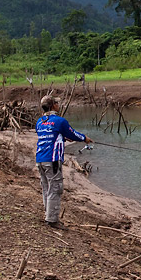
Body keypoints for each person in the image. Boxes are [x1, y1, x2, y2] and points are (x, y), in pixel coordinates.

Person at [35, 95, 92, 229]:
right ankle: (52, 220)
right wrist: (85, 138)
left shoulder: (39, 122)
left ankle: (48, 215)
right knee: (55, 188)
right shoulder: (60, 121)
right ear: (53, 106)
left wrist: (63, 137)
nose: (58, 105)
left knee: (46, 188)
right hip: (53, 159)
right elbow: (72, 133)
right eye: (57, 103)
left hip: (40, 159)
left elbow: (51, 135)